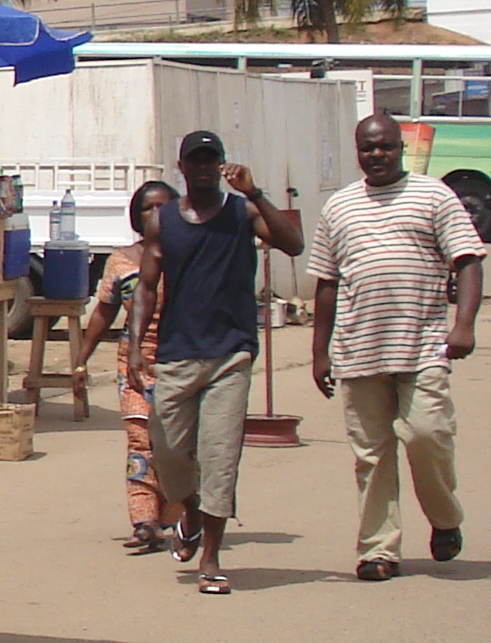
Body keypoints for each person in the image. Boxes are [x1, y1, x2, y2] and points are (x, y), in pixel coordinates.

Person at [308, 110, 483, 581]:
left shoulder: (434, 196)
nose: (377, 155)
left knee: (427, 435)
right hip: (358, 352)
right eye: (368, 148)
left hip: (422, 347)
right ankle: (378, 550)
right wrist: (320, 352)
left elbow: (467, 261)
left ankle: (444, 517)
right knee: (371, 456)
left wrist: (464, 325)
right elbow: (326, 282)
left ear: (401, 148)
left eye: (385, 146)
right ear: (357, 152)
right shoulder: (339, 207)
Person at [135, 129, 304, 595]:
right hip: (176, 354)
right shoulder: (164, 221)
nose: (205, 168)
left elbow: (293, 244)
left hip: (230, 354)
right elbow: (146, 286)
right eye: (197, 160)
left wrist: (256, 192)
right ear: (182, 168)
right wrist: (134, 346)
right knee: (168, 454)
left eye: (212, 160)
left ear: (223, 165)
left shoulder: (242, 212)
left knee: (220, 458)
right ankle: (189, 510)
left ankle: (211, 558)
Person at [73, 179, 179, 552]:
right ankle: (144, 521)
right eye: (148, 208)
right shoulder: (121, 261)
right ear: (136, 216)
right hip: (135, 361)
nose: (156, 214)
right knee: (141, 441)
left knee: (177, 444)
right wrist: (81, 360)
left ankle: (176, 515)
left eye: (163, 207)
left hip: (182, 358)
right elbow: (104, 312)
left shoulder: (188, 254)